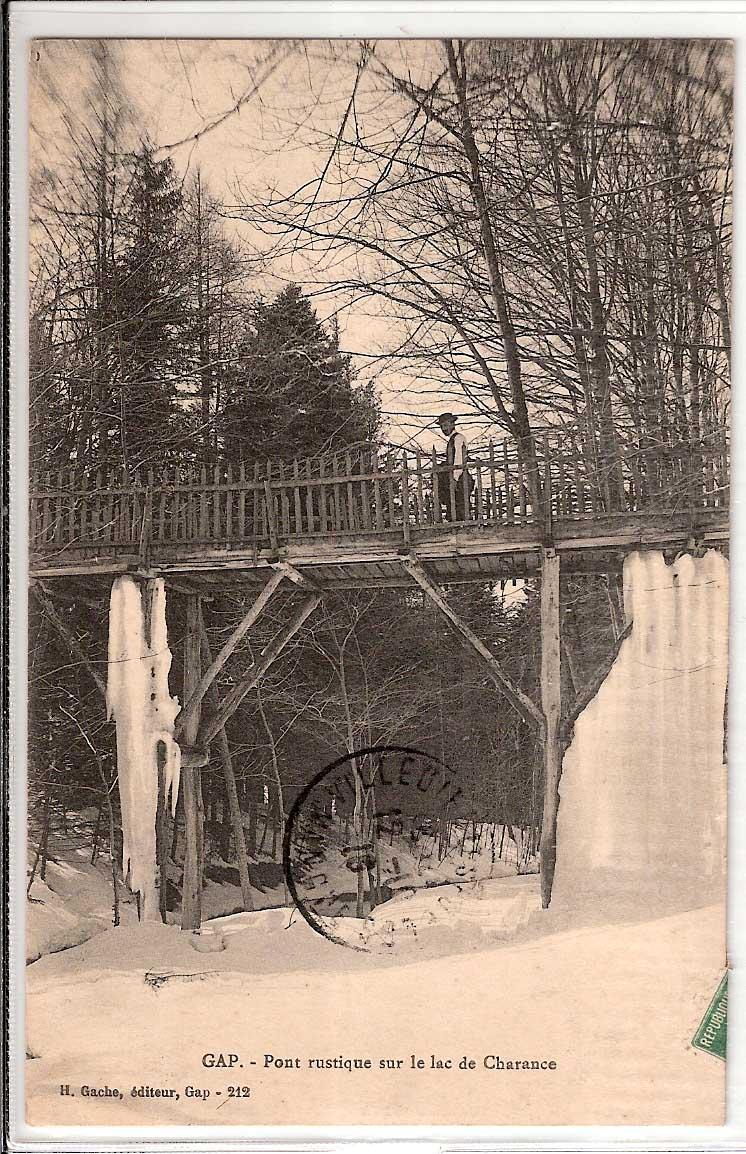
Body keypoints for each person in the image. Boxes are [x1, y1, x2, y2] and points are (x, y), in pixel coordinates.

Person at [437, 413, 474, 522]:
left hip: (460, 477)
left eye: (446, 425)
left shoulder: (458, 438)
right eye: (442, 426)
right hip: (453, 476)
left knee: (461, 505)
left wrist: (455, 478)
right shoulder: (451, 440)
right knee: (452, 506)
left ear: (453, 424)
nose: (444, 429)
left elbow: (459, 458)